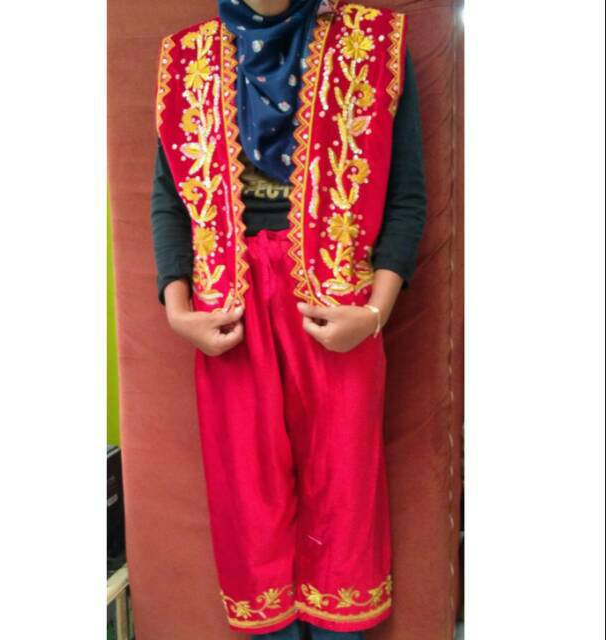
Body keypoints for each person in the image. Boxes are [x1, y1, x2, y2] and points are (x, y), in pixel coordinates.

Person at [150, 1, 426, 637]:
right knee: (249, 506)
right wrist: (177, 310)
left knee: (345, 498)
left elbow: (406, 195)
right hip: (229, 313)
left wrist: (375, 313)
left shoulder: (373, 42)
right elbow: (170, 198)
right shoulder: (186, 59)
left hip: (338, 308)